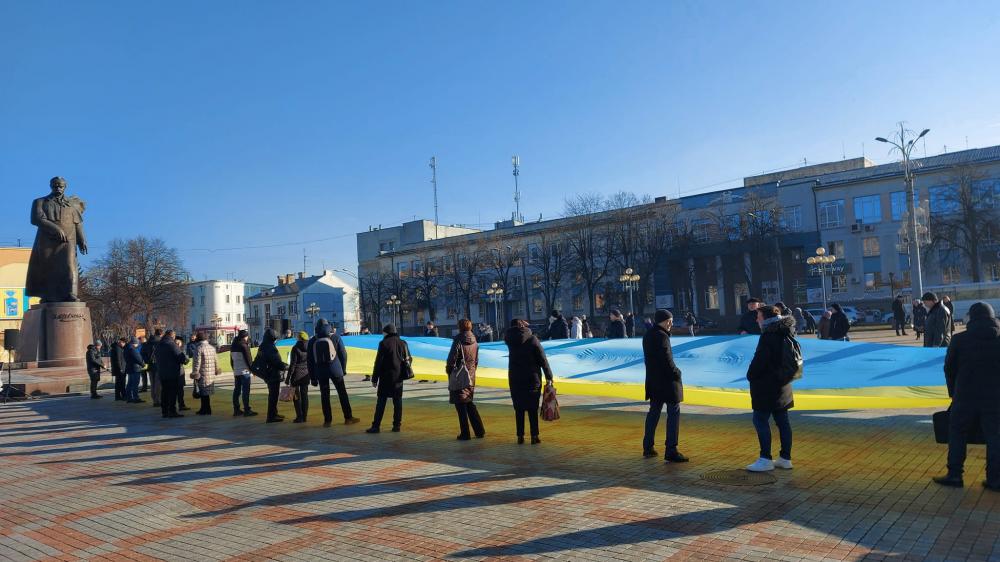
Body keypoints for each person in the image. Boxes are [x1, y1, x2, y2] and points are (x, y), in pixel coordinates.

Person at [933, 302, 1000, 490]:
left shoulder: (959, 340)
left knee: (957, 433)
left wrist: (954, 392)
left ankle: (955, 475)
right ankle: (995, 479)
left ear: (971, 317)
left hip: (965, 396)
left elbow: (949, 368)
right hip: (995, 398)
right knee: (995, 437)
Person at [745, 305, 796, 472]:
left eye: (759, 316)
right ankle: (785, 458)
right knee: (783, 422)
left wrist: (750, 375)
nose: (756, 320)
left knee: (760, 420)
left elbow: (760, 362)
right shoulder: (787, 332)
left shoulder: (768, 336)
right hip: (783, 385)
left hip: (767, 387)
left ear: (766, 319)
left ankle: (765, 459)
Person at [641, 309, 688, 462]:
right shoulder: (662, 336)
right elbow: (667, 360)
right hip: (667, 383)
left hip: (654, 382)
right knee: (673, 413)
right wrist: (677, 373)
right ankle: (671, 450)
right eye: (670, 321)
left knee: (653, 413)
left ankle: (648, 447)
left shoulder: (648, 334)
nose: (671, 324)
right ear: (665, 321)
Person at [504, 319, 554, 444]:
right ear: (523, 326)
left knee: (519, 409)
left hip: (515, 379)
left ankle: (520, 436)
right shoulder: (532, 339)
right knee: (532, 409)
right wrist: (549, 376)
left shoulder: (509, 340)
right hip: (532, 379)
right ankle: (534, 436)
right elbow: (543, 359)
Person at [308, 318, 360, 427]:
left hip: (320, 371)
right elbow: (343, 354)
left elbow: (310, 360)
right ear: (328, 326)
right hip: (335, 369)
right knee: (342, 393)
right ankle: (348, 418)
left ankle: (327, 421)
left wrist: (312, 377)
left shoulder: (313, 340)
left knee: (324, 395)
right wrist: (343, 369)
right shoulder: (335, 337)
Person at [446, 319, 485, 440]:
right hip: (471, 375)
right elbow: (476, 360)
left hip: (459, 376)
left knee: (460, 404)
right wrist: (472, 372)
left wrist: (449, 371)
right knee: (468, 402)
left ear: (460, 327)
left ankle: (465, 433)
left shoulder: (458, 340)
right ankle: (479, 431)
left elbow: (451, 359)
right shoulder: (474, 340)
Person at [367, 324, 408, 433]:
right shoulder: (403, 343)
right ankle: (397, 426)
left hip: (385, 377)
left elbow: (378, 363)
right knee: (397, 402)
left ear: (387, 332)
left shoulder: (383, 343)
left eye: (383, 332)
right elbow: (409, 359)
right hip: (398, 378)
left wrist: (374, 379)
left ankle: (376, 426)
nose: (382, 334)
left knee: (381, 402)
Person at [154, 330, 188, 419]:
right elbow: (181, 358)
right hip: (172, 372)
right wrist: (185, 359)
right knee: (172, 392)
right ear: (172, 336)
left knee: (164, 392)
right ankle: (172, 411)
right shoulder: (172, 344)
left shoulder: (159, 344)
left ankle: (164, 411)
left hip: (162, 372)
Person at [256, 328, 288, 423]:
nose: (276, 340)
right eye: (275, 339)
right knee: (273, 396)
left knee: (272, 395)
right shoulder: (270, 348)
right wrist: (286, 366)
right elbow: (276, 362)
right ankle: (271, 416)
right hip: (273, 374)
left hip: (267, 374)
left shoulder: (262, 346)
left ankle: (274, 413)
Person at [189, 331, 218, 415]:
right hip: (210, 373)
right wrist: (216, 369)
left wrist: (195, 373)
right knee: (206, 392)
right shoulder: (211, 348)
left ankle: (205, 409)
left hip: (202, 373)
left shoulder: (199, 348)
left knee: (202, 392)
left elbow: (197, 363)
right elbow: (216, 360)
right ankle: (206, 409)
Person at [285, 331, 311, 423]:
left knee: (296, 397)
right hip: (306, 375)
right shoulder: (310, 347)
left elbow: (293, 365)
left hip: (296, 375)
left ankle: (299, 416)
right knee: (305, 396)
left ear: (299, 338)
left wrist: (288, 377)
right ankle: (305, 416)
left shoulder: (295, 348)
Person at [231, 330, 257, 417]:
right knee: (245, 390)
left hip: (236, 370)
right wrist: (253, 370)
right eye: (247, 337)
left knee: (237, 390)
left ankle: (236, 409)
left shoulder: (233, 345)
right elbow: (248, 360)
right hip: (245, 370)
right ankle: (247, 410)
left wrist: (234, 369)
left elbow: (231, 360)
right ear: (245, 337)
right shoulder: (244, 346)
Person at [141, 329, 162, 404]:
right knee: (158, 383)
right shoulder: (160, 342)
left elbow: (142, 353)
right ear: (161, 334)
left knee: (152, 383)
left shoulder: (147, 343)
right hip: (158, 364)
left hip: (150, 365)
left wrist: (147, 360)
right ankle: (158, 400)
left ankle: (154, 400)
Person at [123, 336, 145, 403]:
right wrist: (143, 364)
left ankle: (129, 397)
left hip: (130, 368)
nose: (137, 345)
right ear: (134, 343)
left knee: (130, 383)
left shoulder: (126, 348)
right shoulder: (132, 349)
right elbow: (138, 358)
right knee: (135, 384)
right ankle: (136, 398)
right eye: (137, 343)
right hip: (135, 368)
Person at [174, 336, 190, 412]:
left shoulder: (180, 350)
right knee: (179, 390)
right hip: (178, 372)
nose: (178, 344)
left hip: (177, 371)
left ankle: (180, 405)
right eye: (177, 343)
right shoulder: (179, 351)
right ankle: (180, 405)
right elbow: (185, 361)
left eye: (179, 343)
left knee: (179, 390)